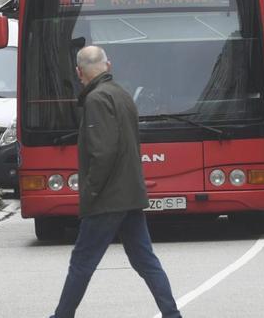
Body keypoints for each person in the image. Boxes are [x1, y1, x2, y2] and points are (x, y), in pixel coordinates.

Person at [50, 46, 181, 318]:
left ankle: (62, 316)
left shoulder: (96, 99)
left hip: (107, 198)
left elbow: (103, 152)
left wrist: (90, 191)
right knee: (145, 260)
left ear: (79, 72)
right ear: (107, 65)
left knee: (82, 261)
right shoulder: (122, 94)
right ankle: (172, 314)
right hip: (130, 194)